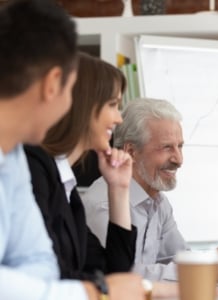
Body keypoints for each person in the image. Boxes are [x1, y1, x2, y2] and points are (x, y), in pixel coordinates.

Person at [0, 0, 145, 299]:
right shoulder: (33, 163)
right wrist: (93, 294)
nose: (118, 118)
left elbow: (40, 265)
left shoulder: (12, 157)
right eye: (113, 105)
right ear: (53, 84)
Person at [83, 98, 218, 281]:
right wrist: (208, 270)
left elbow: (179, 259)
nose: (179, 159)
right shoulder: (105, 204)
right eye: (167, 147)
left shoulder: (158, 202)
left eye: (180, 146)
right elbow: (122, 275)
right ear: (131, 151)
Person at [24, 51, 137, 280]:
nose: (119, 119)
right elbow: (51, 277)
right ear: (83, 105)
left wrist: (119, 189)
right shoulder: (33, 168)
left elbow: (115, 273)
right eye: (113, 105)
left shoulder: (67, 189)